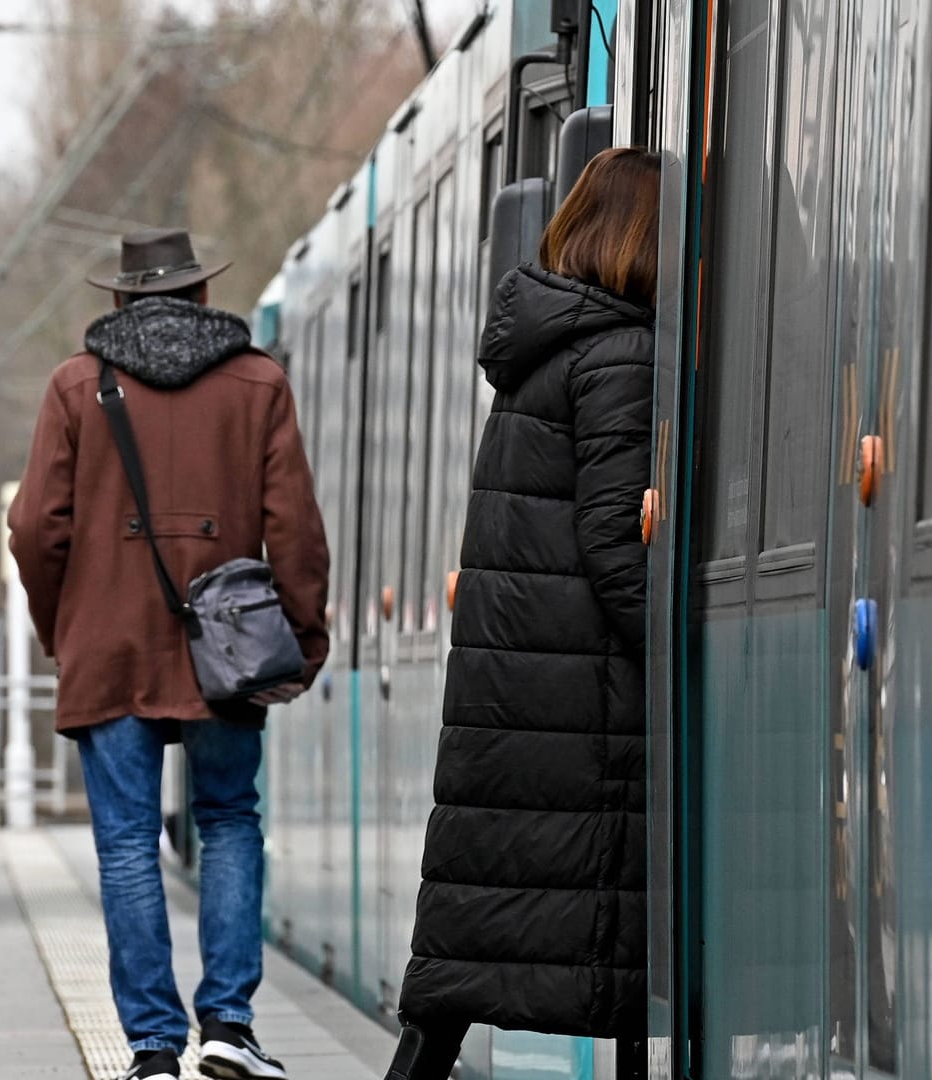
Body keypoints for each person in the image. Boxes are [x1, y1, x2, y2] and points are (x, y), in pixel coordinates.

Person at [8, 228, 330, 1080]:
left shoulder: (77, 385)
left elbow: (34, 530)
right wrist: (302, 637)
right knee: (227, 820)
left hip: (107, 648)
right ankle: (227, 1024)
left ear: (119, 301)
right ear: (199, 297)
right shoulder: (257, 382)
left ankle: (152, 1050)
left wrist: (62, 627)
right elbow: (295, 525)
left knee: (125, 843)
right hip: (226, 648)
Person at [386, 148, 661, 1080]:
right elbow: (619, 549)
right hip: (584, 705)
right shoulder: (624, 355)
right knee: (605, 933)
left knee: (471, 951)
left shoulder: (542, 358)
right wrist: (686, 657)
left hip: (524, 697)